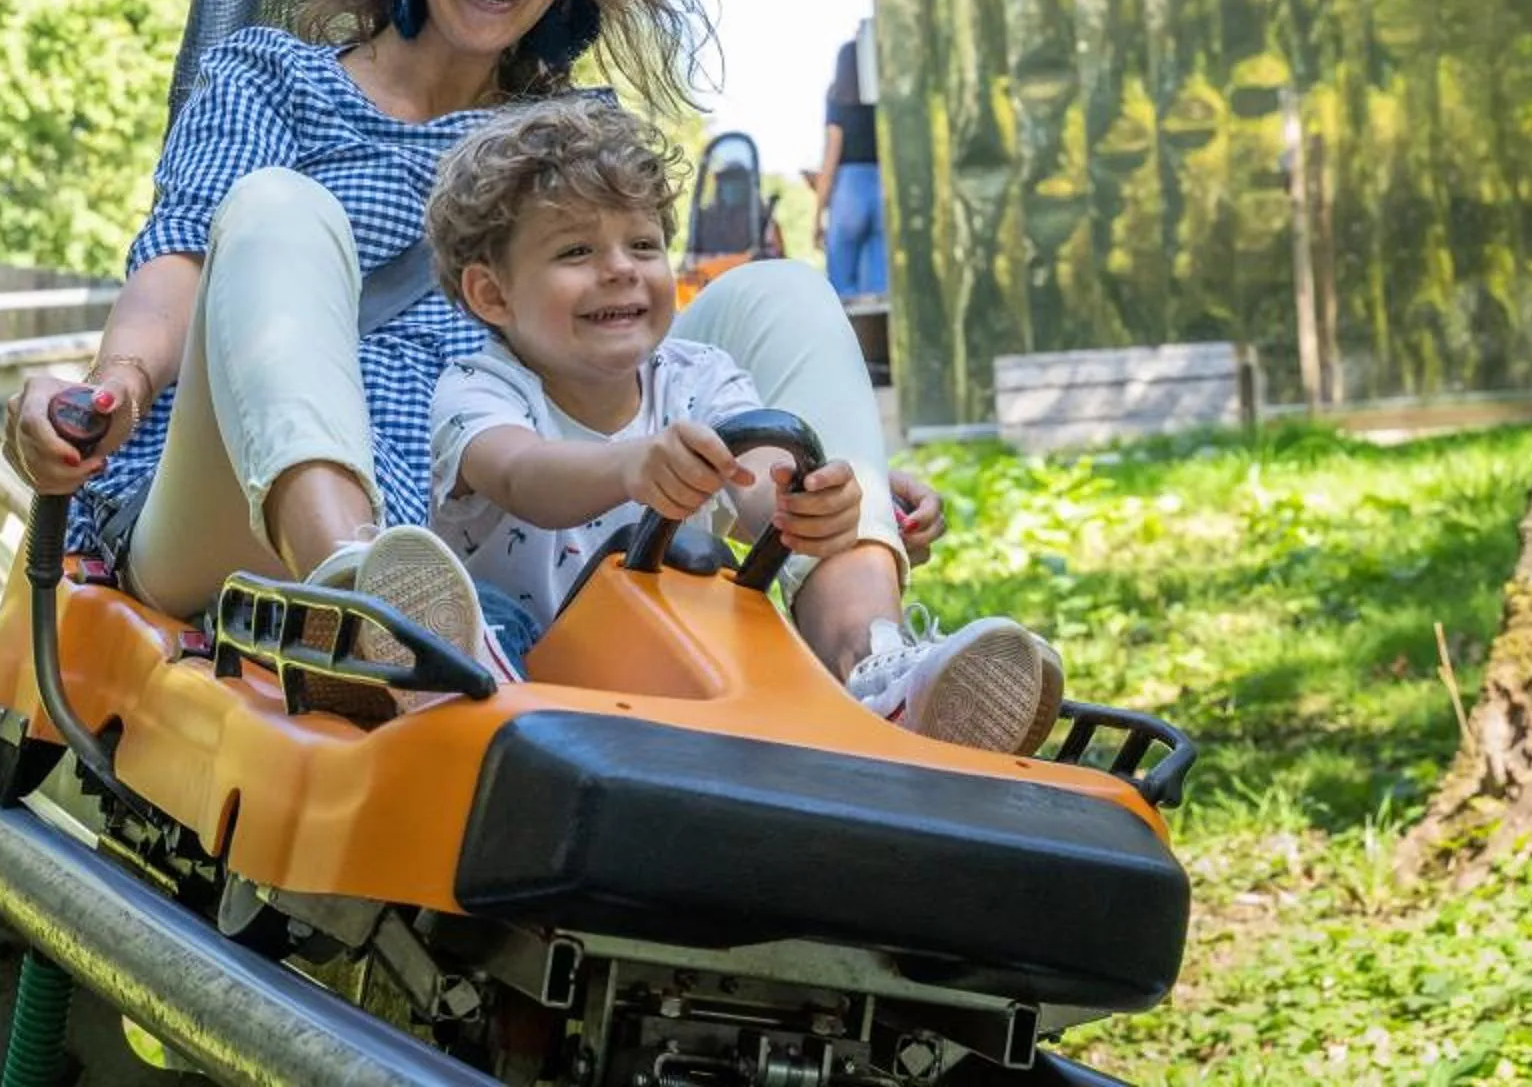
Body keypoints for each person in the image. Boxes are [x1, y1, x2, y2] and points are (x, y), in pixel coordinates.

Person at [3, 0, 982, 724]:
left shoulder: (576, 138)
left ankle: (875, 660)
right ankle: (361, 596)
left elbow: (641, 360)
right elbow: (180, 262)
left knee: (783, 292)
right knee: (276, 206)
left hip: (487, 546)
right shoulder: (274, 81)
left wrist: (822, 478)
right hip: (240, 514)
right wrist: (113, 387)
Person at [427, 97, 1065, 754]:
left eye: (643, 245)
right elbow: (520, 475)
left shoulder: (699, 375)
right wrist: (631, 467)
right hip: (537, 667)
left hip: (674, 664)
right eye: (576, 251)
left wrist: (810, 505)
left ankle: (887, 692)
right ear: (492, 295)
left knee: (735, 606)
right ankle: (454, 679)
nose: (621, 269)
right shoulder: (479, 387)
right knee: (481, 615)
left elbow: (760, 477)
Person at [817, 22, 887, 300]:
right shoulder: (885, 98)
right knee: (880, 289)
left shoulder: (838, 98)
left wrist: (818, 215)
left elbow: (830, 158)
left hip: (849, 188)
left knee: (842, 290)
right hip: (882, 185)